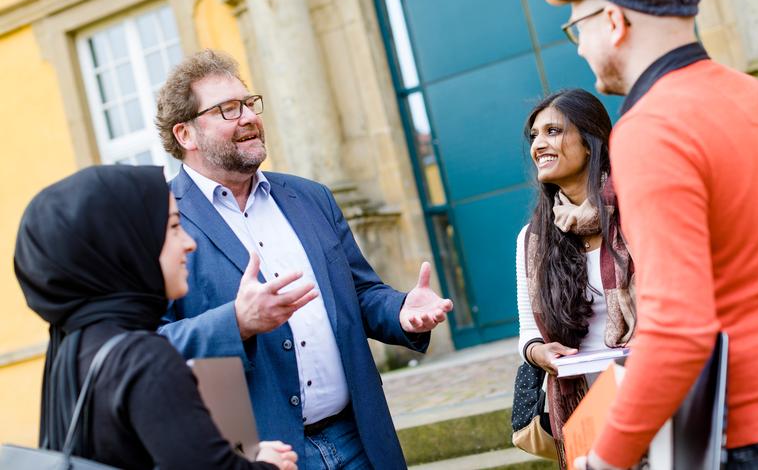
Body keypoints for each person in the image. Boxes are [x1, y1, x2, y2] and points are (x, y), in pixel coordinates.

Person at [543, 0, 758, 469]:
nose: (580, 48)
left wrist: (606, 459)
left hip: (756, 433)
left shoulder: (650, 129)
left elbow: (680, 332)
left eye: (578, 29)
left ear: (613, 21)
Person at [154, 49, 453, 470]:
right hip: (263, 456)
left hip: (358, 439)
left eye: (249, 104)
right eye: (227, 110)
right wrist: (235, 323)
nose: (248, 117)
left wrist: (401, 310)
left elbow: (361, 293)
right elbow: (150, 343)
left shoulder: (310, 197)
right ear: (185, 134)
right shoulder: (160, 220)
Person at [13, 165, 298, 470]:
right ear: (126, 246)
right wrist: (269, 465)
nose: (189, 243)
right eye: (174, 227)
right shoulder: (144, 358)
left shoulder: (73, 348)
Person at [516, 88, 635, 467]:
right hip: (585, 404)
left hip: (650, 387)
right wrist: (540, 352)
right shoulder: (533, 239)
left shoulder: (638, 212)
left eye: (553, 131)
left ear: (589, 142)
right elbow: (528, 335)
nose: (539, 144)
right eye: (534, 135)